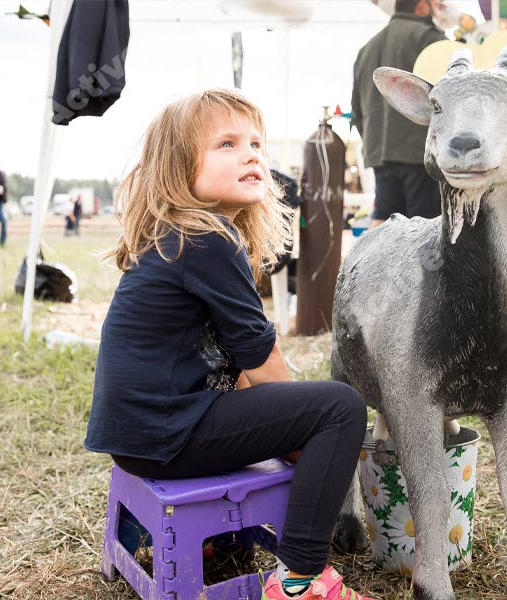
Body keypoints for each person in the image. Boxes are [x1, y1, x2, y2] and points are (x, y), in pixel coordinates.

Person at [84, 89, 374, 600]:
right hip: (168, 435)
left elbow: (236, 360)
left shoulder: (179, 235)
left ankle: (220, 542)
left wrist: (280, 423)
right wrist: (298, 431)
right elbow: (262, 362)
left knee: (297, 412)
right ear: (177, 168)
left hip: (144, 436)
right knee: (339, 407)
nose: (252, 155)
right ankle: (301, 580)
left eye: (256, 144)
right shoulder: (204, 237)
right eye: (227, 143)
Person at [351, 0, 446, 229]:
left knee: (385, 224)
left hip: (380, 154)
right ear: (422, 5)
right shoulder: (431, 40)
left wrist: (373, 144)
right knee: (424, 230)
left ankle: (369, 266)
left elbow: (356, 109)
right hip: (420, 154)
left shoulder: (367, 48)